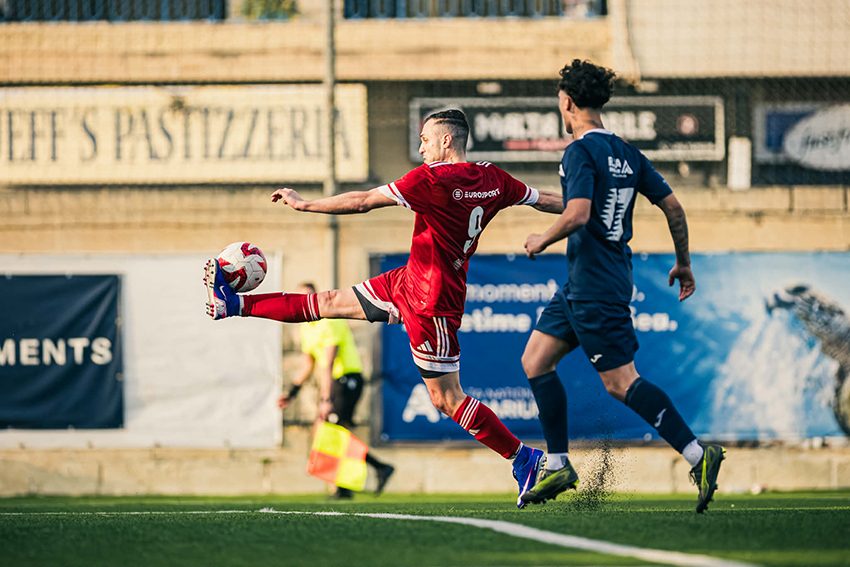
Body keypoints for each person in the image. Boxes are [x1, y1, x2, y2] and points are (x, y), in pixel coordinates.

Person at [204, 109, 565, 508]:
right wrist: (585, 207)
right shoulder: (492, 178)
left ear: (446, 140)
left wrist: (305, 205)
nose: (421, 148)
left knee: (447, 399)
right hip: (408, 281)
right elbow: (545, 198)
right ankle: (233, 303)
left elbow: (362, 201)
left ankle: (523, 458)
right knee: (327, 302)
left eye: (425, 140)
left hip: (431, 302)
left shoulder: (431, 179)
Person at [519, 60, 725, 513]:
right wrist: (684, 263)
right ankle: (558, 464)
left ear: (567, 103)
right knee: (535, 360)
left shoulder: (578, 151)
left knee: (620, 383)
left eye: (560, 101)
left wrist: (541, 239)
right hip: (585, 284)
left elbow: (578, 214)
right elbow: (673, 207)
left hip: (595, 286)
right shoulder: (626, 152)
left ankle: (698, 454)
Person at [279, 282, 394, 499]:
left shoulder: (329, 321)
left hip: (347, 380)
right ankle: (360, 478)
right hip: (335, 383)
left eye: (308, 297)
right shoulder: (306, 327)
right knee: (333, 433)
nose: (304, 302)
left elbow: (329, 363)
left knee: (331, 431)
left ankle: (370, 472)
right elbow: (308, 363)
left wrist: (325, 400)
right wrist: (292, 392)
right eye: (300, 299)